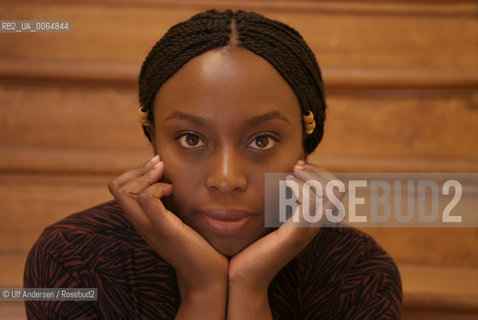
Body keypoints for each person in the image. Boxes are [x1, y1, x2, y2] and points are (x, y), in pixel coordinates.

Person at [24, 9, 402, 319]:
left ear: (305, 146)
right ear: (153, 137)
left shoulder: (356, 270)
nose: (226, 179)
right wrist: (204, 288)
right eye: (191, 139)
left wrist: (249, 290)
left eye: (262, 140)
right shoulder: (74, 258)